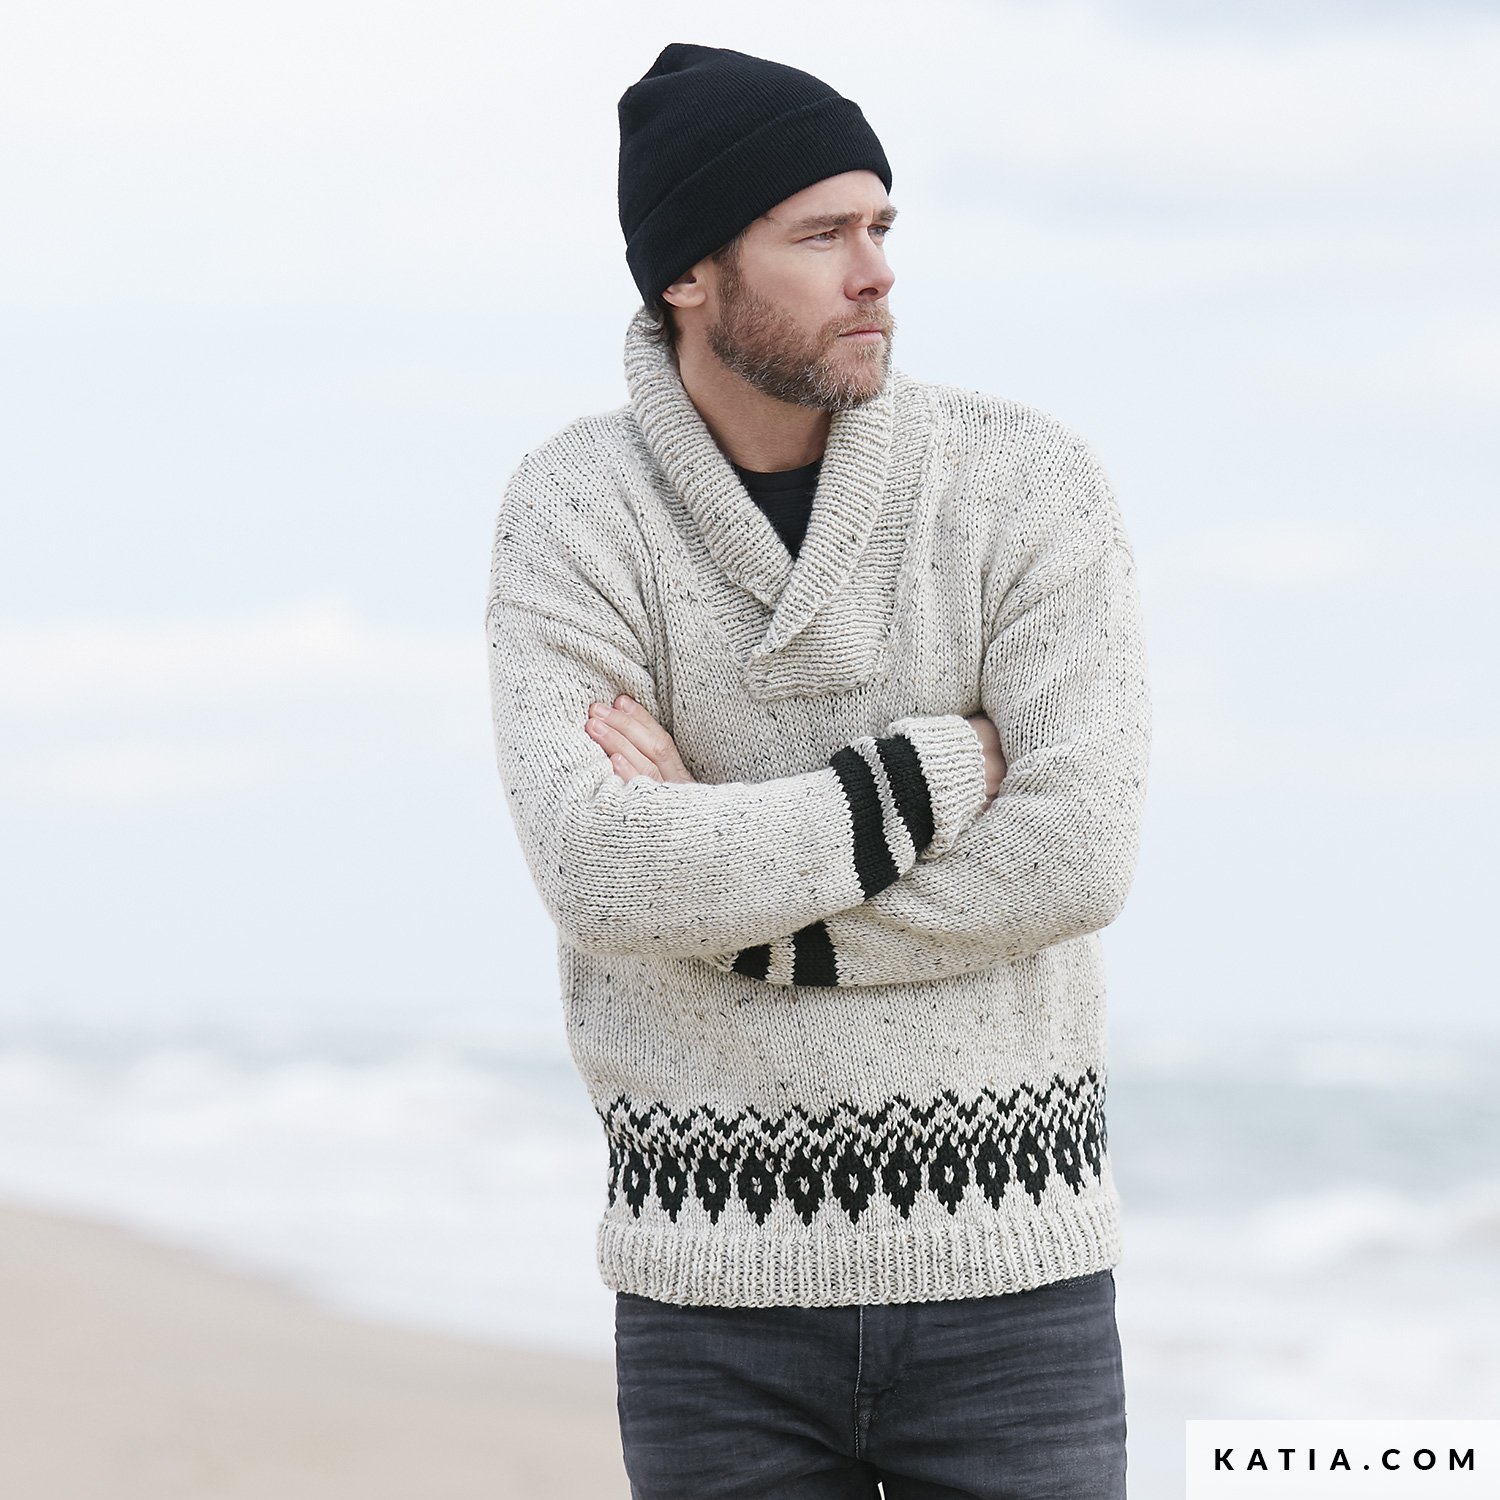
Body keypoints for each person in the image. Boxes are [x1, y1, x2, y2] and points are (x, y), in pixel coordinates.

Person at [484, 41, 1152, 1500]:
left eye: (882, 227)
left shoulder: (1024, 484)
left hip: (1013, 1276)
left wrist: (734, 895)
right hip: (706, 1291)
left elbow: (1073, 854)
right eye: (821, 234)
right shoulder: (575, 508)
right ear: (688, 274)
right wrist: (933, 774)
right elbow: (606, 873)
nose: (875, 273)